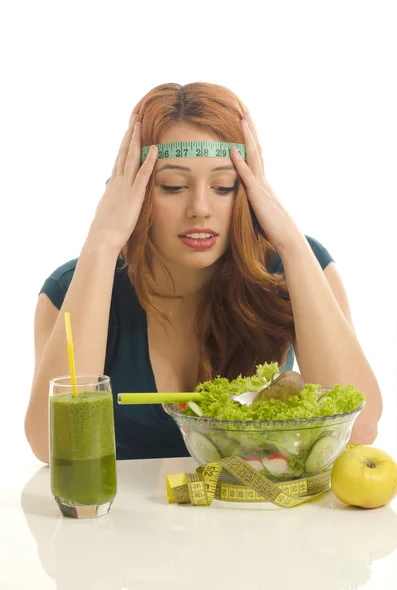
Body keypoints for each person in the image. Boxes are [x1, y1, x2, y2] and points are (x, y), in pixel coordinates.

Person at [25, 82, 383, 463]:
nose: (200, 208)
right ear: (136, 192)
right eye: (173, 186)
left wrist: (291, 243)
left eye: (224, 186)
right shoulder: (71, 289)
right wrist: (100, 243)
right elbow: (54, 448)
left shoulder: (297, 267)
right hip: (126, 522)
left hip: (262, 519)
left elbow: (359, 433)